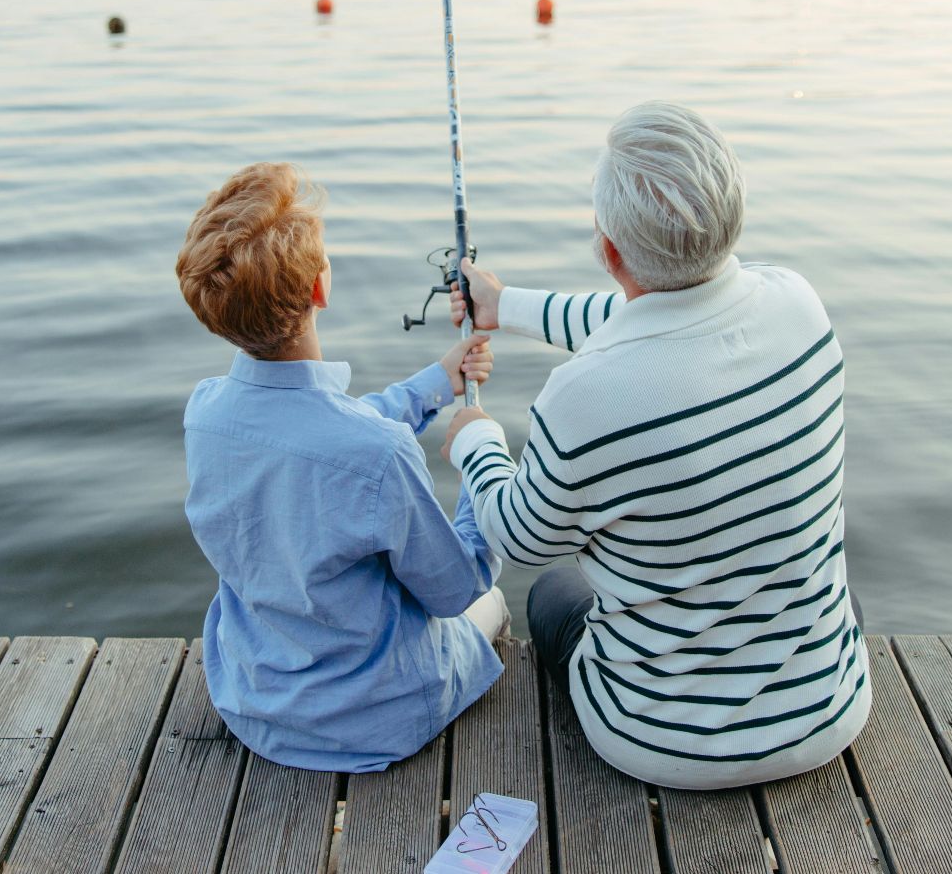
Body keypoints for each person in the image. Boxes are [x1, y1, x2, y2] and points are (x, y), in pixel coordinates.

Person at [441, 103, 869, 790]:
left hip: (663, 743)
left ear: (610, 253)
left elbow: (519, 540)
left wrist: (478, 442)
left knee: (555, 588)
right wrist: (506, 306)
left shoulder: (582, 398)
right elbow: (659, 315)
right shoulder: (799, 304)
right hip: (830, 713)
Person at [177, 162, 507, 773]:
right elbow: (454, 588)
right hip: (373, 721)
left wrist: (436, 384)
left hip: (253, 702)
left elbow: (319, 434)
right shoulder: (377, 453)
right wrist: (481, 470)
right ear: (319, 291)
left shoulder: (205, 414)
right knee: (494, 601)